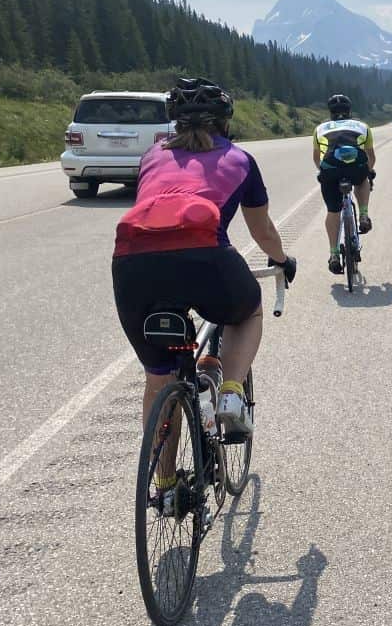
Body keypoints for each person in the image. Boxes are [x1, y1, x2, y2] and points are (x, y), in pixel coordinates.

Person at [112, 76, 296, 452]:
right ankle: (230, 391)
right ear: (225, 122)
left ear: (175, 122)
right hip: (206, 258)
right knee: (247, 313)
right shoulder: (240, 159)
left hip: (131, 265)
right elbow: (262, 231)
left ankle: (163, 487)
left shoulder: (151, 155)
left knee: (158, 381)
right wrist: (281, 260)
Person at [313, 94, 375, 274]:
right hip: (356, 168)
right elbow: (371, 156)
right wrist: (368, 171)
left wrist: (323, 172)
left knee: (333, 211)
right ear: (349, 111)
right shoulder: (363, 126)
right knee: (364, 178)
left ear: (330, 112)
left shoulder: (320, 128)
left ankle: (333, 254)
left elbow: (317, 158)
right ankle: (363, 215)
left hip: (331, 170)